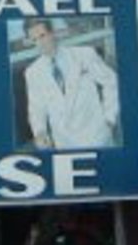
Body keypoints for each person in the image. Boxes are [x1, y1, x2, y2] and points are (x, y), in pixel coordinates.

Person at [23, 19, 119, 150]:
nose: (40, 43)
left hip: (97, 136)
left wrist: (109, 118)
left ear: (52, 34)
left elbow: (112, 82)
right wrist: (40, 132)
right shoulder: (32, 72)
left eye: (42, 36)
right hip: (65, 142)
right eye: (34, 40)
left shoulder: (84, 55)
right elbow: (36, 108)